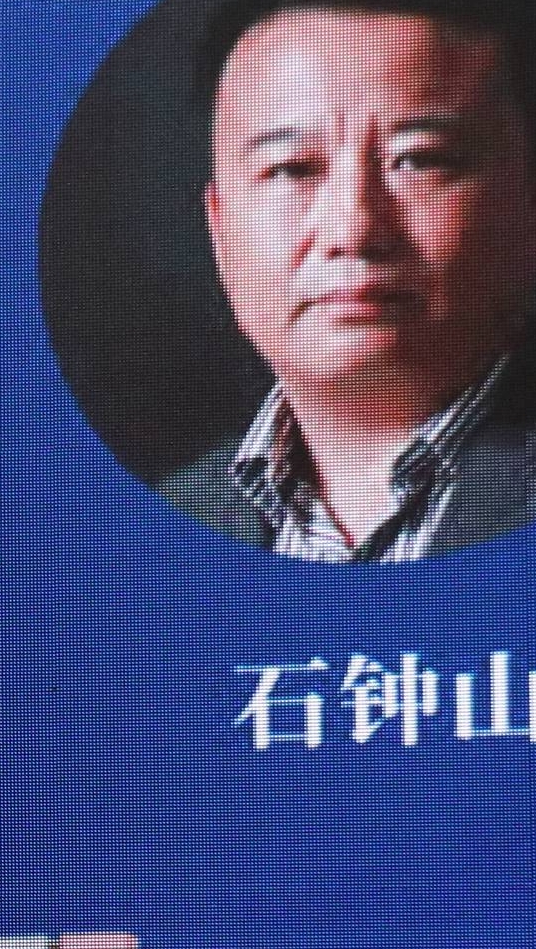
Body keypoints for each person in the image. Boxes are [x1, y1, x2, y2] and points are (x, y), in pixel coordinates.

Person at [160, 0, 536, 559]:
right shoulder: (142, 536)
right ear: (219, 229)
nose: (353, 229)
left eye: (419, 161)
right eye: (291, 169)